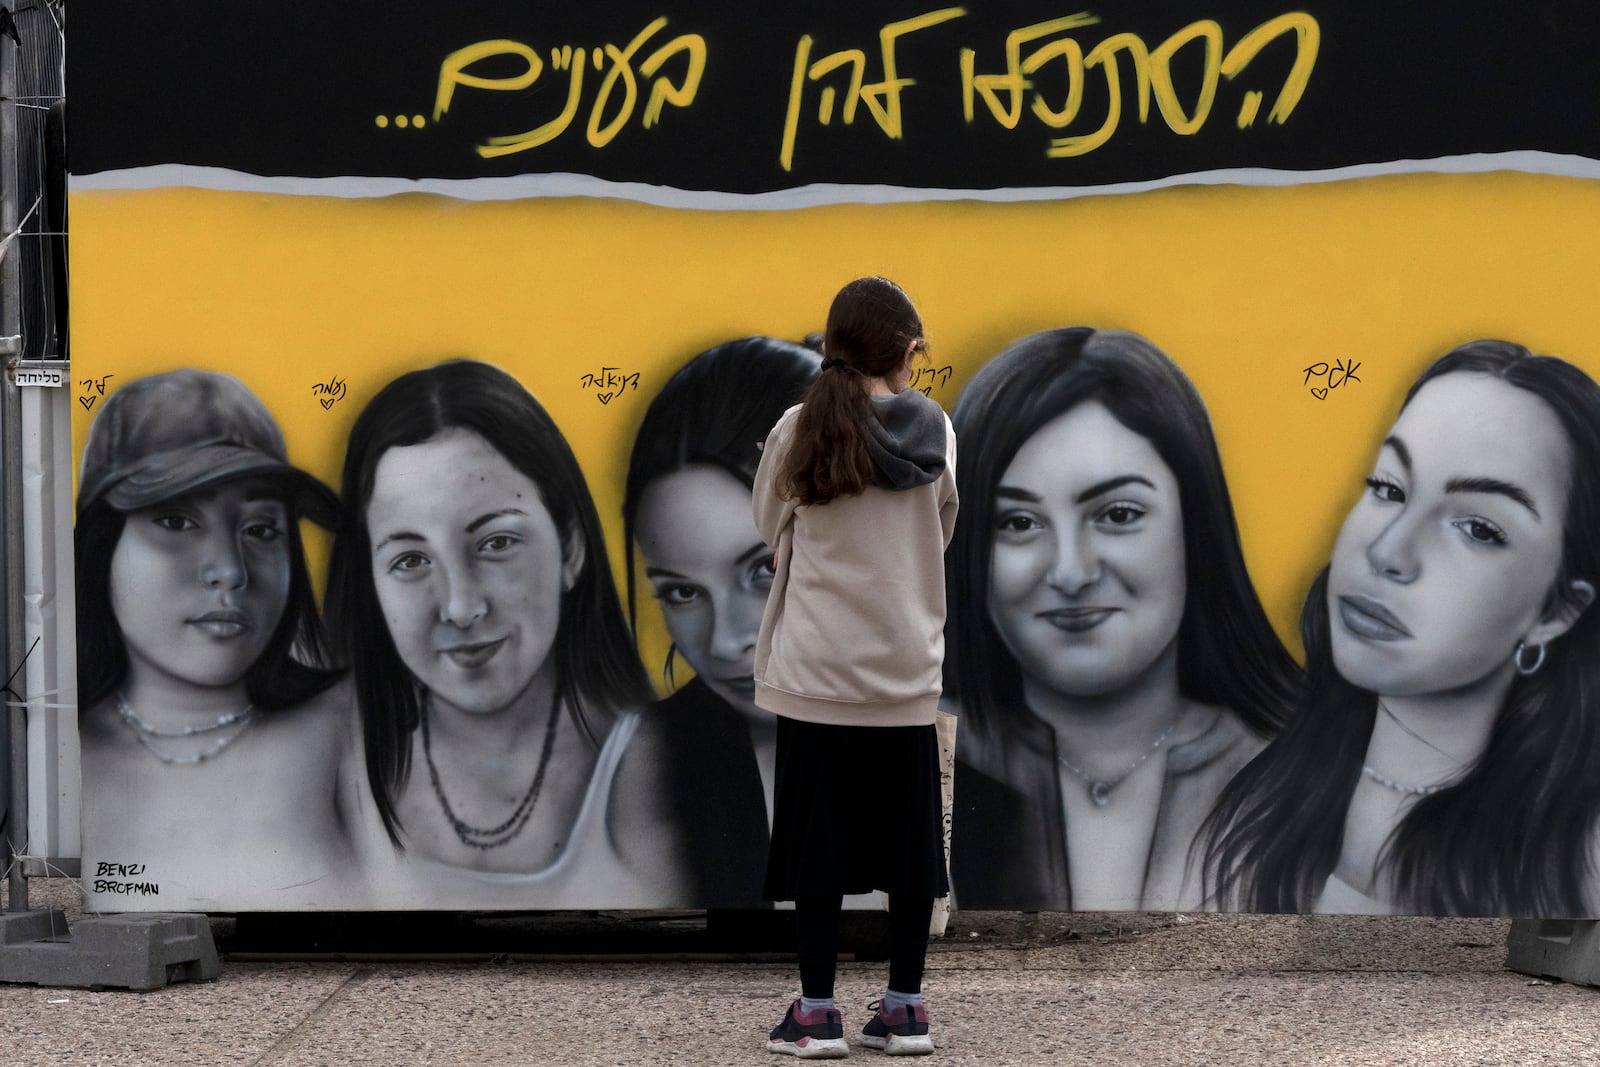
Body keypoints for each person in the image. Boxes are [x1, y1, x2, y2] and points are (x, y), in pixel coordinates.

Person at [1201, 340, 1600, 916]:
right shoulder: (1238, 771)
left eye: (1479, 529)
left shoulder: (1577, 865)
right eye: (1388, 489)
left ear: (1556, 612)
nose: (1389, 551)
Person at [944, 328, 1301, 912]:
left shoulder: (1302, 772)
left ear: (1196, 526)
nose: (1070, 571)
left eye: (1117, 514)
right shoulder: (909, 761)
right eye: (1018, 523)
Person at [324, 359, 669, 907]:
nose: (460, 606)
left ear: (571, 550)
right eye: (411, 559)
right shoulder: (332, 755)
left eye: (496, 543)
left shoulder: (666, 760)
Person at [754, 277, 956, 1058]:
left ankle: (815, 1014)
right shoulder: (935, 428)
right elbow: (943, 525)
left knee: (818, 849)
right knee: (909, 850)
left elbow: (767, 522)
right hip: (903, 675)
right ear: (907, 353)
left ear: (831, 345)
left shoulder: (798, 428)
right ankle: (906, 1009)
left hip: (817, 675)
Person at [75, 369, 354, 909]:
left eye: (261, 530)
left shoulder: (360, 728)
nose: (230, 571)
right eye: (177, 521)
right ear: (102, 546)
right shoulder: (63, 753)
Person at [622, 336, 821, 906]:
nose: (726, 639)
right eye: (682, 591)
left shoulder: (989, 750)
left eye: (765, 569)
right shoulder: (638, 773)